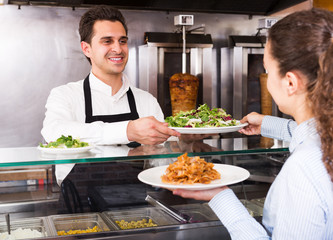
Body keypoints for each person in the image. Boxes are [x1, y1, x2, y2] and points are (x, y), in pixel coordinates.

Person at [173, 8, 333, 239]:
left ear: (290, 82)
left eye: (267, 70)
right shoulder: (324, 140)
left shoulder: (304, 168)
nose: (266, 81)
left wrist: (221, 196)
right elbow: (312, 132)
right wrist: (268, 124)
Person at [41, 5, 180, 146]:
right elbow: (54, 132)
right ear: (86, 49)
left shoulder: (146, 101)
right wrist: (127, 131)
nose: (118, 49)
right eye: (107, 41)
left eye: (122, 41)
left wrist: (187, 142)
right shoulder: (65, 95)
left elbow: (163, 155)